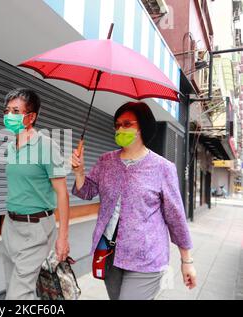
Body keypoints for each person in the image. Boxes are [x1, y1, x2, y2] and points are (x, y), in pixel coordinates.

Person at [71, 101, 197, 300]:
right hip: (110, 253)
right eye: (118, 124)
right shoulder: (106, 161)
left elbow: (175, 216)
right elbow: (86, 192)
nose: (120, 129)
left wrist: (186, 261)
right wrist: (79, 173)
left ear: (142, 128)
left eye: (127, 124)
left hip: (146, 257)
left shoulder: (163, 167)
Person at [1, 88, 70, 300]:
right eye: (7, 110)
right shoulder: (11, 147)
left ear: (31, 116)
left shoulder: (47, 146)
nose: (9, 116)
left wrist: (63, 237)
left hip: (36, 228)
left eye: (15, 111)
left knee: (17, 296)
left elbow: (62, 193)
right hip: (10, 226)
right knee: (15, 287)